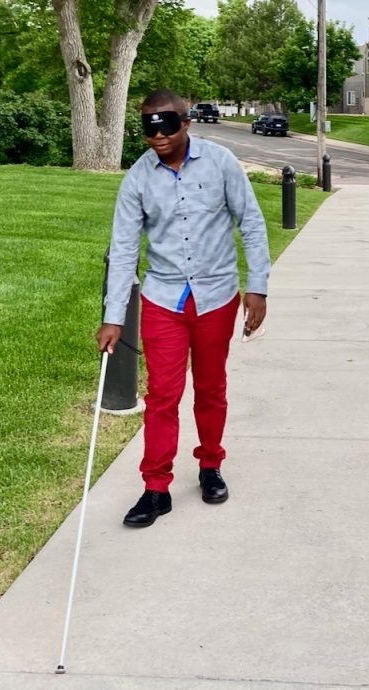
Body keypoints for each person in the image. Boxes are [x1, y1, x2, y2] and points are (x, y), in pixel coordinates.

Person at [97, 89, 271, 528]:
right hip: (163, 299)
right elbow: (122, 251)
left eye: (166, 124)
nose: (157, 134)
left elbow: (250, 223)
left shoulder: (221, 163)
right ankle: (155, 489)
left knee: (211, 389)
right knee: (162, 396)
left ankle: (210, 466)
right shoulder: (137, 179)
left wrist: (258, 288)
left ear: (186, 122)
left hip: (216, 296)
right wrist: (113, 316)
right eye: (148, 126)